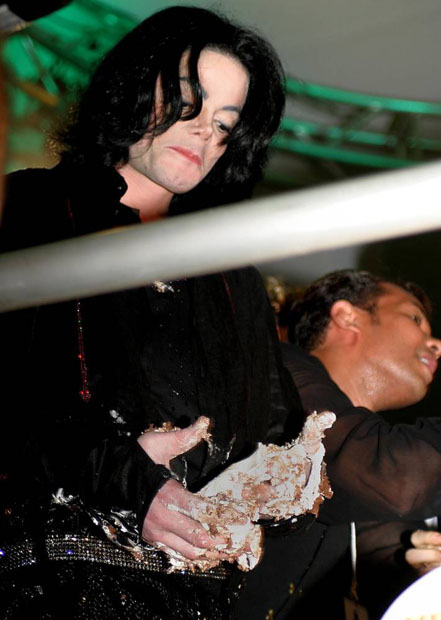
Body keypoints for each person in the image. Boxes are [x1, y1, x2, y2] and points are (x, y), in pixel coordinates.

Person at [0, 7, 307, 619]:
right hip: (51, 581)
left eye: (225, 123)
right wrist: (125, 476)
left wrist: (278, 478)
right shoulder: (31, 210)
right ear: (135, 90)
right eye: (188, 103)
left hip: (197, 595)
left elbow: (277, 427)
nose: (204, 132)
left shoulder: (231, 271)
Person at [237, 269, 441, 619]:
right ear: (347, 316)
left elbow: (375, 528)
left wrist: (406, 566)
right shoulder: (273, 369)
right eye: (414, 318)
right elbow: (394, 478)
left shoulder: (360, 465)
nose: (437, 343)